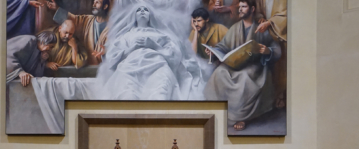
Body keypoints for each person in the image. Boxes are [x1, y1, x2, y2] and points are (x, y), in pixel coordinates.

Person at [96, 3, 202, 100]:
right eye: (139, 10)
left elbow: (175, 57)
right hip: (129, 68)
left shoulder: (160, 35)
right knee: (128, 95)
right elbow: (111, 59)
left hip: (158, 66)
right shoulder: (126, 36)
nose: (142, 11)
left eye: (145, 10)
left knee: (160, 94)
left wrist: (155, 45)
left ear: (150, 15)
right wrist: (131, 48)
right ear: (134, 16)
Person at [204, 0, 281, 131]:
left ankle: (241, 117)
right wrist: (213, 50)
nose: (240, 9)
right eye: (239, 7)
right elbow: (223, 46)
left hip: (255, 68)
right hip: (235, 65)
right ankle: (221, 110)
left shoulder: (261, 28)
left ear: (252, 9)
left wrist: (267, 51)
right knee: (219, 72)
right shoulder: (234, 28)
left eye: (243, 7)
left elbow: (277, 49)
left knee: (245, 78)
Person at [47, 0, 110, 66]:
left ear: (105, 6)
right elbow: (73, 19)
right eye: (94, 3)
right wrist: (56, 8)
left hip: (104, 67)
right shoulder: (87, 20)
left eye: (97, 3)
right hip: (87, 67)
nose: (93, 5)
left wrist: (107, 50)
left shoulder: (113, 25)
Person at [255, 0, 287, 108]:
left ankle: (281, 95)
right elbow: (257, 10)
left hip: (281, 33)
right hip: (266, 33)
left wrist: (269, 23)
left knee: (282, 66)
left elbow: (287, 14)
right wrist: (261, 18)